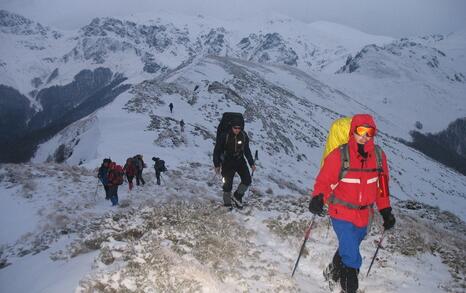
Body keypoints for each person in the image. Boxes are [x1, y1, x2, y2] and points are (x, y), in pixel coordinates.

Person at [309, 114, 396, 293]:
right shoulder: (339, 155)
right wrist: (318, 198)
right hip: (341, 212)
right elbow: (324, 182)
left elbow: (382, 188)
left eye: (369, 132)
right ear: (352, 131)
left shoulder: (379, 156)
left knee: (349, 247)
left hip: (364, 216)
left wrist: (386, 210)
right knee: (352, 260)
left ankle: (332, 272)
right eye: (360, 131)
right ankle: (349, 287)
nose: (364, 136)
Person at [213, 117, 256, 208]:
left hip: (240, 161)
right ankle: (227, 203)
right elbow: (217, 150)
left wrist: (251, 163)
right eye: (235, 128)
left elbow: (246, 150)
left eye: (239, 128)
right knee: (227, 184)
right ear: (231, 127)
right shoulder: (224, 136)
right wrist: (217, 165)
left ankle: (237, 196)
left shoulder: (243, 135)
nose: (237, 130)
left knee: (247, 180)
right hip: (227, 162)